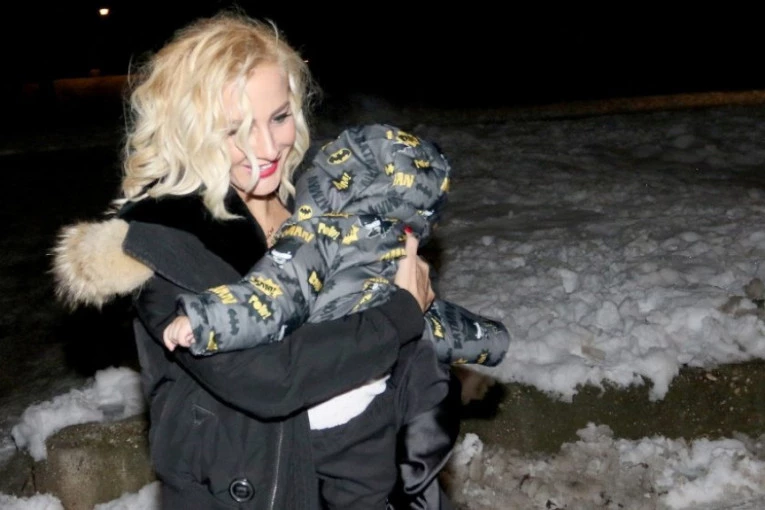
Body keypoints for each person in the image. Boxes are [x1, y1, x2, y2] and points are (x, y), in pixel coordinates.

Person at [52, 11, 459, 510]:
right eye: (235, 129)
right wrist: (398, 314)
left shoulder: (314, 206)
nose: (266, 148)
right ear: (188, 131)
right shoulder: (165, 238)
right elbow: (269, 378)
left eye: (279, 117)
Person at [163, 123, 510, 370]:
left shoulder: (320, 235)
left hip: (320, 397)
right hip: (371, 394)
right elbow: (434, 327)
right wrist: (492, 340)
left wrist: (205, 320)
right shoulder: (399, 255)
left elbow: (272, 298)